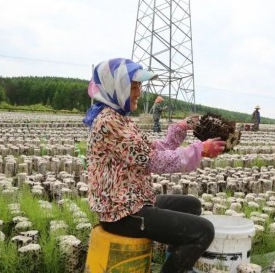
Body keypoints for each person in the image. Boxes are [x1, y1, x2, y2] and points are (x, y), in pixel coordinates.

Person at [83, 58, 226, 273]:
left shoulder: (119, 119)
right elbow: (152, 160)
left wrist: (180, 128)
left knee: (191, 204)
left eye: (139, 86)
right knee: (203, 231)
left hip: (133, 199)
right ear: (116, 88)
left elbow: (153, 148)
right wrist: (200, 150)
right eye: (133, 86)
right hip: (121, 212)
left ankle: (174, 262)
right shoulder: (108, 123)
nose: (139, 92)